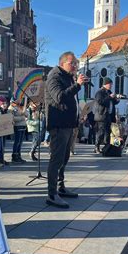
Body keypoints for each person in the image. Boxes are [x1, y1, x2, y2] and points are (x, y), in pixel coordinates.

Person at [44, 51, 86, 208]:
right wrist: (78, 85)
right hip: (59, 125)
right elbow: (59, 97)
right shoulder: (54, 76)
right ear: (62, 63)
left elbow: (71, 100)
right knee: (57, 159)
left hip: (69, 125)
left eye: (76, 63)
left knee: (65, 158)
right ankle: (52, 194)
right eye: (72, 63)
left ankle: (60, 188)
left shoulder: (68, 77)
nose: (75, 65)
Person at [94, 77, 119, 153]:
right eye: (110, 84)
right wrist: (109, 97)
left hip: (109, 115)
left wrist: (116, 99)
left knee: (107, 132)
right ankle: (96, 147)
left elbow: (112, 103)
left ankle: (106, 147)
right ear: (105, 84)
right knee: (101, 132)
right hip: (102, 115)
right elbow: (100, 101)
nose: (111, 86)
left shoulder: (109, 92)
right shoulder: (100, 92)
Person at [8, 98, 28, 163]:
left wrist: (25, 111)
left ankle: (19, 155)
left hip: (23, 125)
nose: (20, 100)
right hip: (17, 126)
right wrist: (21, 118)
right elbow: (11, 117)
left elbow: (27, 114)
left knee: (21, 142)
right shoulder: (11, 107)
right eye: (18, 99)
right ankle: (14, 156)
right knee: (17, 142)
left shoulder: (21, 106)